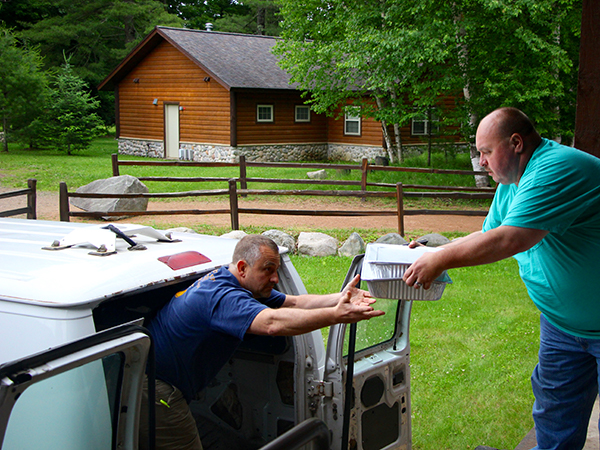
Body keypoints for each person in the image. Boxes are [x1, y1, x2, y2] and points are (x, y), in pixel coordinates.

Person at [403, 107, 600, 450]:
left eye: (486, 152)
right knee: (555, 417)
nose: (481, 162)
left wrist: (439, 261)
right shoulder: (513, 182)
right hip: (563, 327)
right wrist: (435, 247)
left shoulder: (555, 169)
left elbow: (510, 240)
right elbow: (489, 233)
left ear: (516, 143)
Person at [139, 234, 384, 450]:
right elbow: (271, 323)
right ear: (243, 267)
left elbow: (293, 303)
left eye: (276, 270)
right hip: (158, 389)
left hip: (160, 379)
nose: (275, 278)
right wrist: (336, 315)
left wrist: (340, 298)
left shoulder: (237, 283)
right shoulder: (223, 296)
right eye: (268, 270)